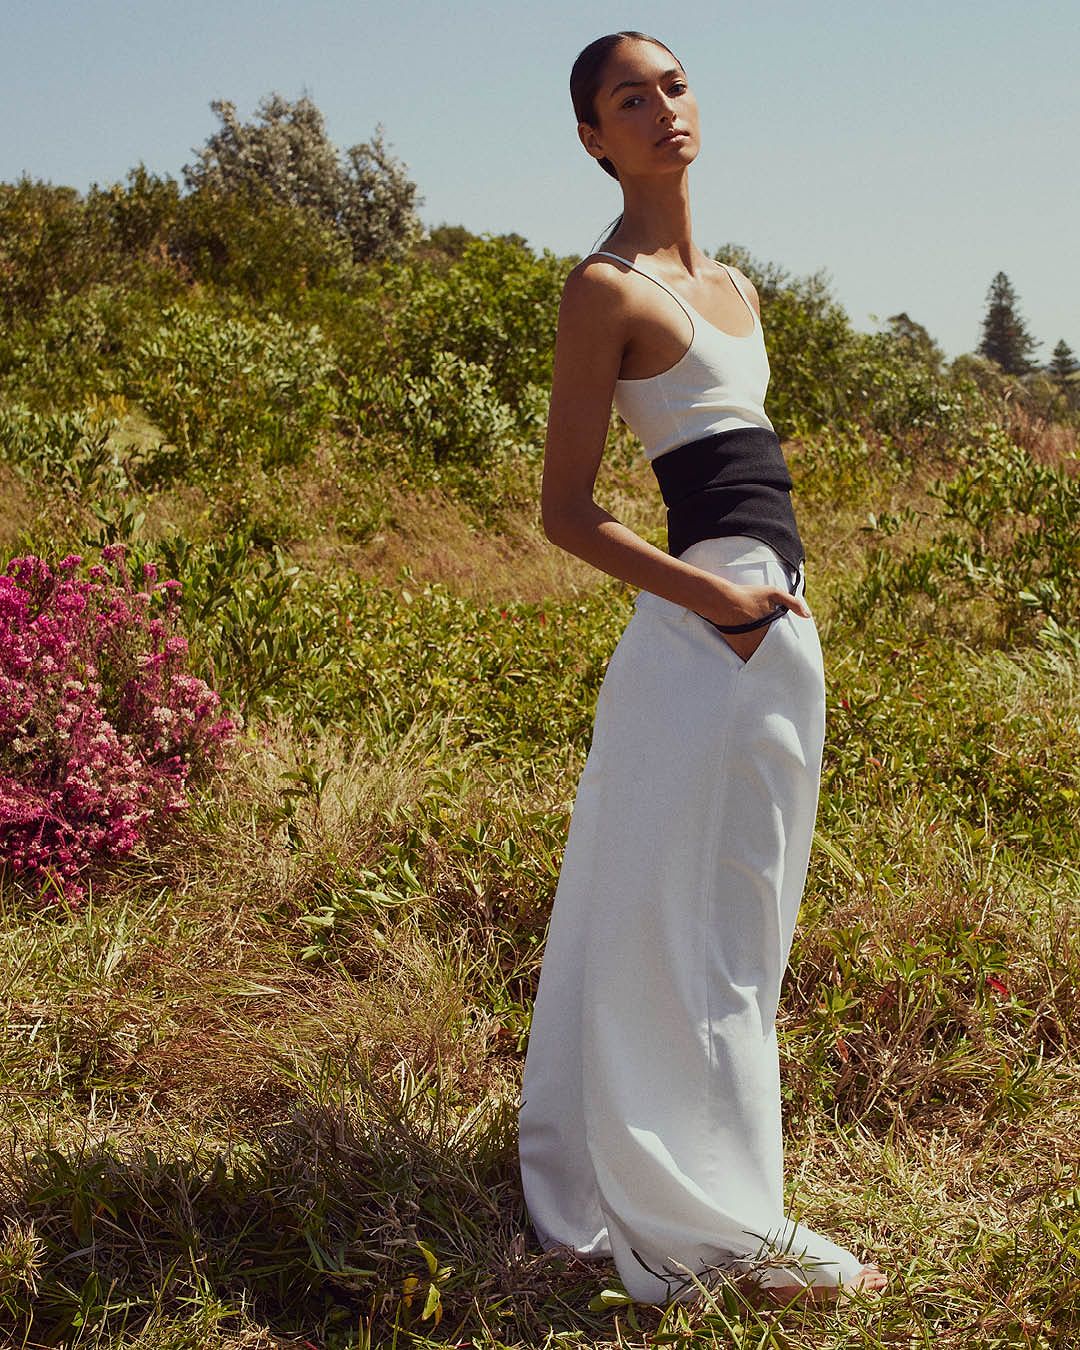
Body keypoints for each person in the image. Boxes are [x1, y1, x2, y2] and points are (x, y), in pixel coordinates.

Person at [517, 31, 888, 1306]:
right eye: (630, 97)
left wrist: (770, 615)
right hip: (704, 636)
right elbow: (566, 511)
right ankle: (709, 1213)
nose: (662, 108)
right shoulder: (603, 291)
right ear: (593, 139)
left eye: (673, 85)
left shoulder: (732, 284)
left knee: (742, 921)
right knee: (678, 923)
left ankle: (722, 1176)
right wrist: (718, 604)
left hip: (777, 631)